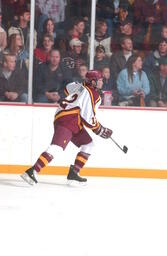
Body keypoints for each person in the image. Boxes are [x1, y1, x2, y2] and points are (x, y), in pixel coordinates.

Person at [21, 70, 113, 185]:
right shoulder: (93, 94)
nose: (102, 82)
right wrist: (101, 130)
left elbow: (67, 88)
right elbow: (88, 118)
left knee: (88, 144)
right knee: (57, 147)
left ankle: (74, 173)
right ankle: (32, 171)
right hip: (69, 120)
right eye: (99, 80)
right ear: (93, 82)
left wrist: (82, 85)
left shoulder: (79, 87)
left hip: (68, 119)